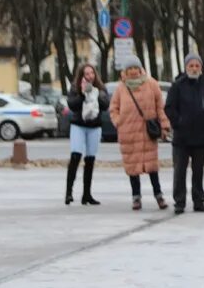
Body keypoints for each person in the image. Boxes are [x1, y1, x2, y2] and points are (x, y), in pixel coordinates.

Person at [110, 55, 170, 211]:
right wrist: (118, 122)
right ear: (125, 71)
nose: (133, 71)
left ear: (140, 68)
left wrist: (164, 126)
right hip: (128, 134)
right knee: (132, 167)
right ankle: (136, 197)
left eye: (135, 68)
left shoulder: (152, 84)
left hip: (147, 133)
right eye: (129, 69)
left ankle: (158, 195)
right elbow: (113, 108)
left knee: (152, 166)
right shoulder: (121, 88)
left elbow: (160, 108)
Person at [165, 54, 204, 214]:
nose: (194, 68)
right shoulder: (177, 86)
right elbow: (169, 108)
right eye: (191, 66)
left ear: (201, 68)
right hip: (182, 137)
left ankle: (198, 201)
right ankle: (179, 202)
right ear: (186, 67)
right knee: (180, 171)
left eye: (197, 66)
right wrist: (178, 122)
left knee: (198, 171)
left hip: (201, 137)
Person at [66, 63, 109, 206]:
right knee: (75, 156)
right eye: (87, 73)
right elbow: (72, 105)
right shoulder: (75, 88)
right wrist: (83, 94)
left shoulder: (101, 88)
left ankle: (87, 194)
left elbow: (105, 105)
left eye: (92, 73)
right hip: (79, 125)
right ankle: (69, 192)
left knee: (90, 160)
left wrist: (95, 94)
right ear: (82, 76)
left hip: (94, 126)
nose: (90, 76)